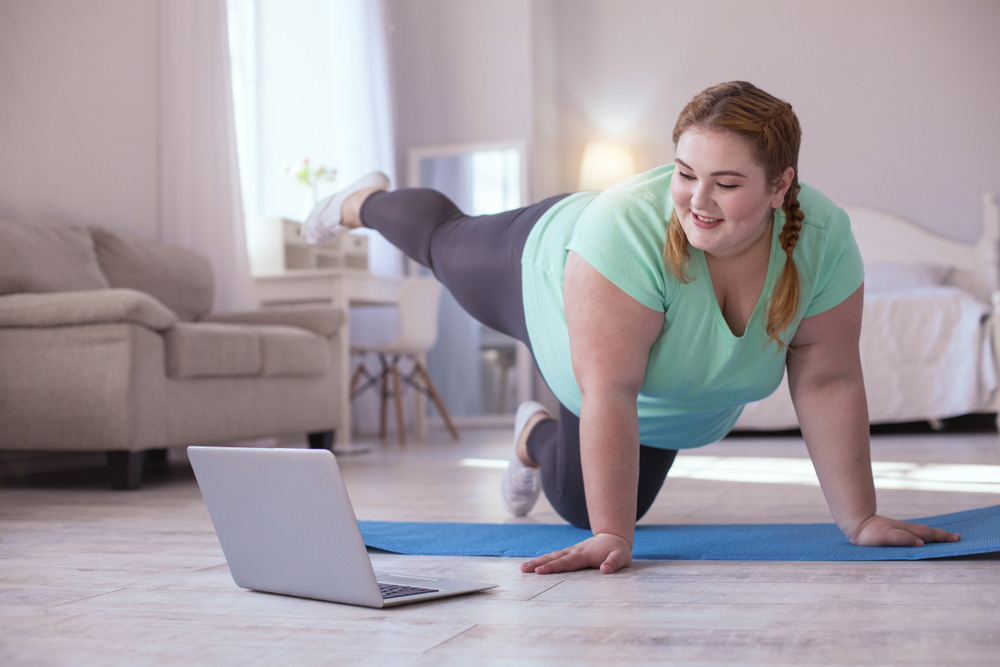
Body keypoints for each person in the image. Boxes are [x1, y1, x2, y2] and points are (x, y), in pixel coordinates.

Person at [303, 81, 961, 575]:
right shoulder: (623, 227)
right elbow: (610, 393)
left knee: (578, 504)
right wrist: (616, 537)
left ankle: (533, 434)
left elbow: (830, 377)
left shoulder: (823, 242)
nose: (698, 201)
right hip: (546, 271)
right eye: (684, 174)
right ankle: (361, 200)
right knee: (443, 243)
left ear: (781, 186)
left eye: (727, 183)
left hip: (656, 397)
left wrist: (860, 518)